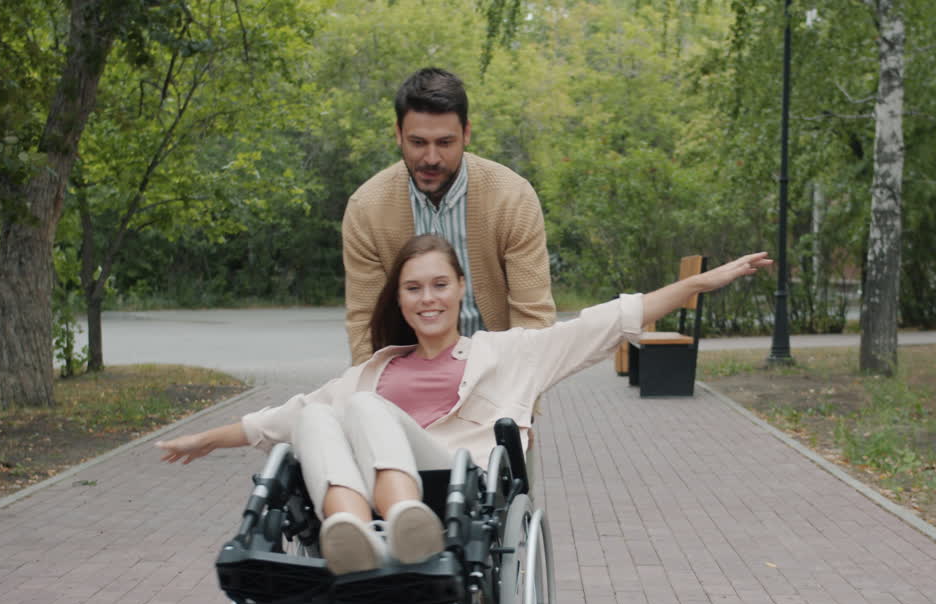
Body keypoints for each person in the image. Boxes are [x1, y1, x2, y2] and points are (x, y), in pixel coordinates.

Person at [157, 234, 771, 575]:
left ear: (459, 292)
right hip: (365, 497)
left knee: (365, 411)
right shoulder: (374, 370)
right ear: (400, 301)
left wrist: (698, 283)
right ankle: (347, 531)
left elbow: (607, 322)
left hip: (456, 489)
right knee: (321, 413)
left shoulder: (507, 354)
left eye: (439, 285)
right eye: (413, 288)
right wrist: (204, 438)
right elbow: (279, 420)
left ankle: (405, 524)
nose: (427, 298)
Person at [341, 67, 555, 365]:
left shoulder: (512, 199)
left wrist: (516, 388)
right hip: (407, 377)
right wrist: (375, 389)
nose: (431, 158)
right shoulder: (366, 209)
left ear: (466, 134)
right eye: (418, 143)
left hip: (497, 372)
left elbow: (533, 317)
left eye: (444, 143)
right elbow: (366, 325)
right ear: (398, 134)